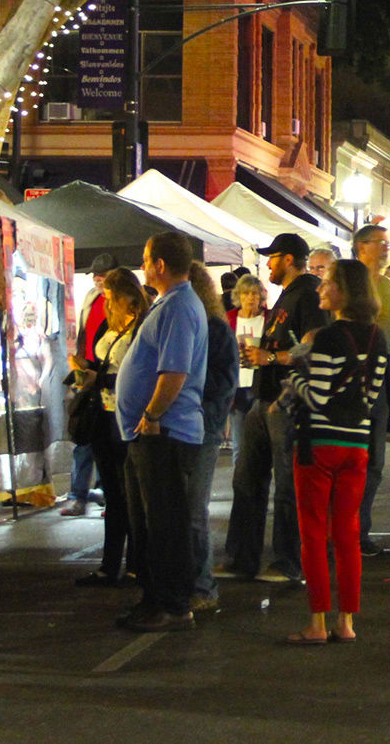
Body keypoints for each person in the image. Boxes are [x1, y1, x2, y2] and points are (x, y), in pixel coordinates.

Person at [285, 258, 389, 644]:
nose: (319, 289)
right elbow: (372, 396)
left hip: (320, 445)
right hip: (357, 445)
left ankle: (317, 623)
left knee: (313, 532)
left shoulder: (327, 338)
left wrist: (295, 376)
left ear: (345, 291)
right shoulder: (379, 337)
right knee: (347, 532)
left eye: (327, 282)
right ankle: (346, 622)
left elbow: (318, 396)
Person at [114, 232, 210, 633]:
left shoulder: (180, 307)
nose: (141, 265)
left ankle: (172, 604)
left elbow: (175, 371)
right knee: (148, 525)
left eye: (145, 258)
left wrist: (152, 413)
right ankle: (154, 600)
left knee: (165, 525)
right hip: (149, 433)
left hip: (164, 433)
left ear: (160, 265)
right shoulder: (169, 304)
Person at [223, 232, 323, 584]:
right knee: (247, 480)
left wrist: (273, 357)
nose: (268, 263)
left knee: (287, 485)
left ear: (290, 259)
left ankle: (288, 562)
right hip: (263, 400)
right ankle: (241, 558)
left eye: (273, 257)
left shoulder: (309, 294)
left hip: (288, 401)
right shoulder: (287, 296)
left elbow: (314, 344)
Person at [74, 268, 145, 588]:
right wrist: (86, 369)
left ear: (128, 296)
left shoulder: (142, 328)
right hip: (103, 415)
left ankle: (136, 564)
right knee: (114, 495)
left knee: (132, 495)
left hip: (128, 418)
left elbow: (140, 376)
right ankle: (109, 564)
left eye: (111, 298)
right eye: (105, 298)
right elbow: (102, 362)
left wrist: (98, 378)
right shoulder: (108, 325)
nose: (107, 304)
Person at [185, 264, 237, 615]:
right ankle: (190, 582)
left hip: (201, 426)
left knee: (194, 511)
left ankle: (203, 586)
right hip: (185, 425)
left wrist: (187, 393)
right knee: (185, 510)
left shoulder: (214, 328)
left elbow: (223, 381)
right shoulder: (191, 325)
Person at [353, 223, 390, 557]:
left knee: (374, 460)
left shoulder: (388, 287)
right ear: (361, 246)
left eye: (387, 243)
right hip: (344, 383)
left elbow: (386, 336)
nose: (386, 248)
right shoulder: (345, 282)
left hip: (378, 381)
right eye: (380, 243)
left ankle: (360, 529)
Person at [63, 253, 115, 517]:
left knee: (108, 438)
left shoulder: (120, 302)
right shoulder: (91, 299)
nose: (98, 279)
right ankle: (78, 495)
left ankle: (108, 493)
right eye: (95, 275)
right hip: (88, 373)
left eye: (102, 275)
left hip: (109, 376)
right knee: (83, 436)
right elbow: (83, 332)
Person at [225, 273, 266, 465]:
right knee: (240, 445)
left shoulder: (269, 319)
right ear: (239, 296)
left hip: (261, 387)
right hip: (238, 388)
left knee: (263, 444)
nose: (251, 298)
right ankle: (240, 489)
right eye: (247, 294)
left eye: (255, 294)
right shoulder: (230, 319)